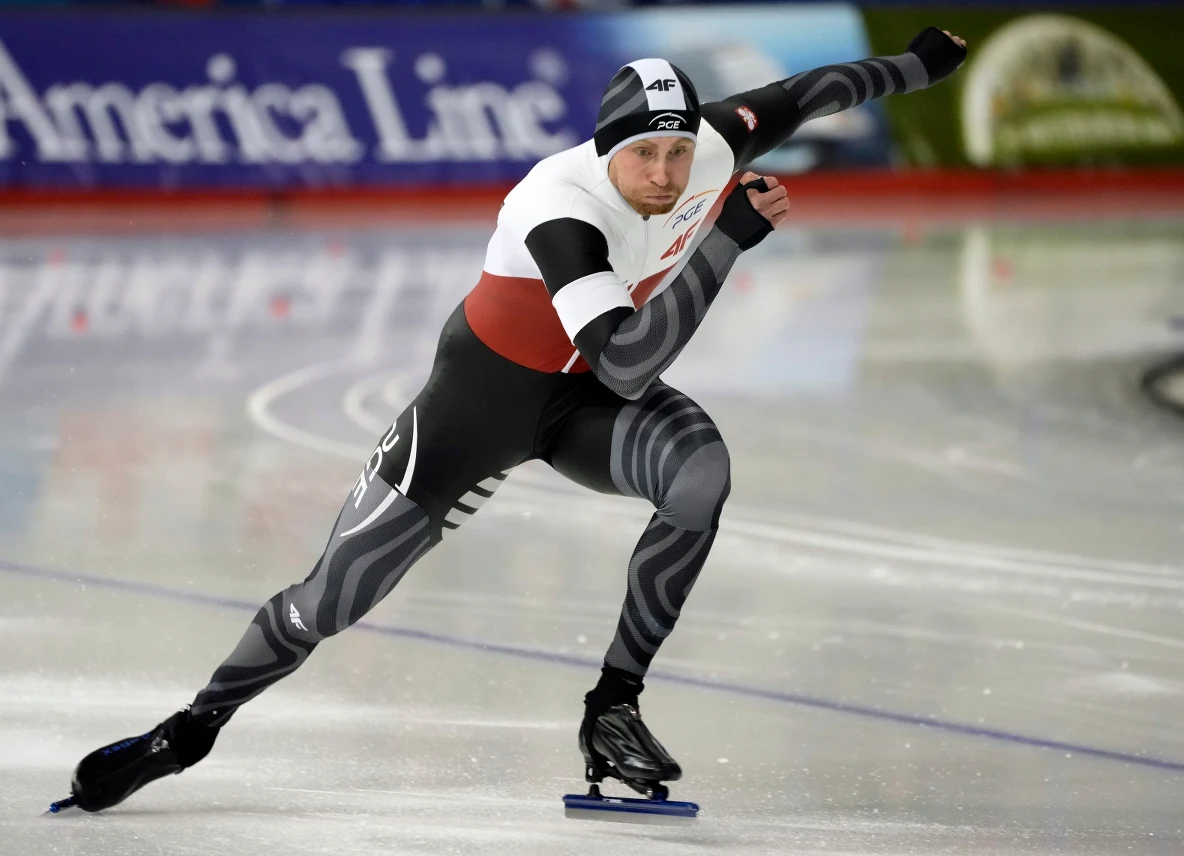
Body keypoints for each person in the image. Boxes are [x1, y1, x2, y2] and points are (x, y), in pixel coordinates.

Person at [62, 27, 967, 812]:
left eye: (677, 155)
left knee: (699, 473)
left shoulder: (718, 142)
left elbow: (816, 90)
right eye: (642, 158)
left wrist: (919, 66)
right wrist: (727, 238)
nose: (663, 175)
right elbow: (628, 360)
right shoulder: (558, 204)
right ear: (604, 151)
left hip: (581, 408)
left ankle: (614, 705)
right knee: (327, 604)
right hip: (479, 404)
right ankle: (188, 730)